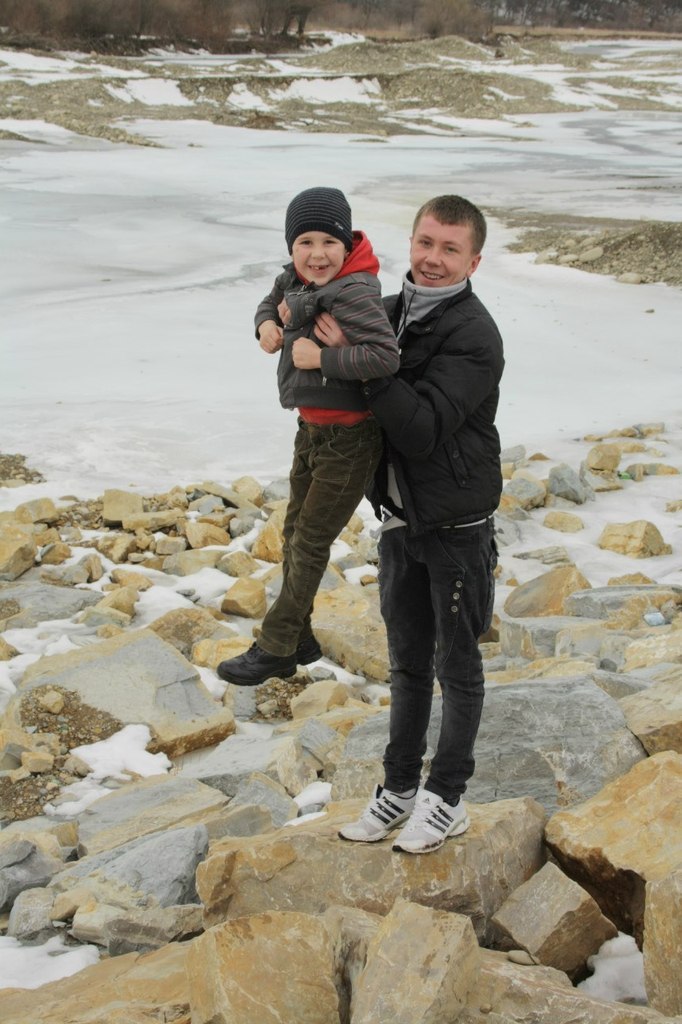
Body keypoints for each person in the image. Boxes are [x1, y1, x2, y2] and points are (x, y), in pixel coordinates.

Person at [332, 194, 504, 854]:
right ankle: (399, 788)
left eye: (450, 249)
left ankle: (447, 799)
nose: (433, 259)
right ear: (411, 241)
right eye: (426, 242)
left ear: (473, 261)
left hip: (458, 525)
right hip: (402, 520)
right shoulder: (385, 312)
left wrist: (365, 362)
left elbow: (422, 429)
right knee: (406, 666)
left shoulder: (476, 335)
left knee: (456, 668)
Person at [217, 186, 399, 687]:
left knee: (311, 543)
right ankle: (301, 639)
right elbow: (268, 301)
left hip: (352, 439)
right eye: (305, 243)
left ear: (346, 244)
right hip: (312, 430)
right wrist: (264, 327)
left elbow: (385, 357)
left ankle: (276, 646)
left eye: (328, 242)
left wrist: (323, 358)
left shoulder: (355, 290)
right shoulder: (294, 280)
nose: (317, 254)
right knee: (294, 533)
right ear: (291, 247)